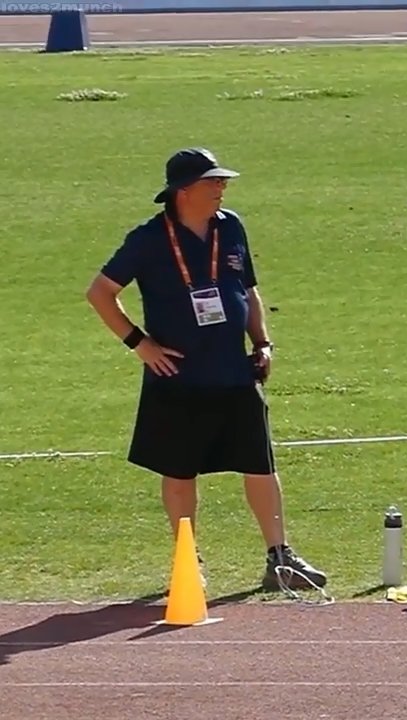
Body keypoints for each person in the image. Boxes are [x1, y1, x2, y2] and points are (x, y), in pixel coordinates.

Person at [84, 147, 327, 592]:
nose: (221, 188)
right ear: (182, 190)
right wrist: (141, 345)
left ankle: (280, 558)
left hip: (235, 370)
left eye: (222, 181)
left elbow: (248, 291)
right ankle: (187, 562)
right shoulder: (148, 239)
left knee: (260, 465)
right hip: (178, 378)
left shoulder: (231, 226)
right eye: (212, 181)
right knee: (179, 472)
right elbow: (100, 292)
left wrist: (263, 342)